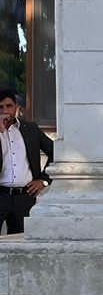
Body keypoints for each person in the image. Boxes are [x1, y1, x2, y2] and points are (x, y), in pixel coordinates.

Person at [0, 88, 52, 234]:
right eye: (0, 107)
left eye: (9, 106)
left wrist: (43, 180)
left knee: (20, 240)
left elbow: (56, 152)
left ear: (16, 107)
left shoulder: (31, 129)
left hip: (24, 197)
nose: (5, 111)